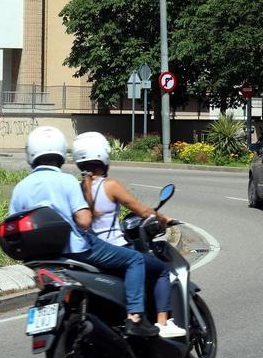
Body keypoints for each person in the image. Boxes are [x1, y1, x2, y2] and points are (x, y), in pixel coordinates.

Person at [9, 126, 161, 338]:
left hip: (40, 259)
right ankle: (135, 317)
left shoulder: (20, 188)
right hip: (76, 250)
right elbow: (84, 220)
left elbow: (13, 223)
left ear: (31, 155)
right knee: (135, 260)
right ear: (61, 154)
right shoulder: (67, 181)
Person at [74, 132, 187, 338]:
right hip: (117, 249)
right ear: (103, 156)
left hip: (92, 252)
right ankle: (162, 323)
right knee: (161, 270)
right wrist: (163, 218)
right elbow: (141, 210)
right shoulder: (110, 185)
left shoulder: (80, 188)